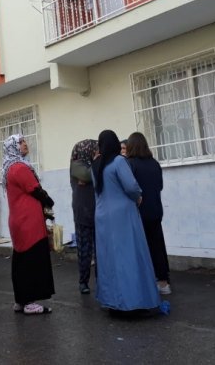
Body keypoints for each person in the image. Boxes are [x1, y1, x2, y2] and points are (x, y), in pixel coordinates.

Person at [92, 129, 160, 314]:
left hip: (102, 216)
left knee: (109, 260)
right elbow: (131, 186)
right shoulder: (119, 161)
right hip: (122, 215)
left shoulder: (96, 165)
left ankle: (112, 301)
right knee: (129, 257)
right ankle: (133, 301)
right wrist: (138, 196)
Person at [2, 134, 55, 314]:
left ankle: (21, 300)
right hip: (28, 222)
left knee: (21, 261)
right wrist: (49, 201)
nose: (25, 144)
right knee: (32, 260)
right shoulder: (19, 168)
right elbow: (35, 189)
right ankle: (29, 301)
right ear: (14, 147)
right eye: (21, 142)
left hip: (20, 221)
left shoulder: (11, 167)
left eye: (24, 141)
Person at [125, 132, 171, 295]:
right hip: (156, 210)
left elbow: (129, 189)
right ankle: (163, 282)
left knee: (140, 248)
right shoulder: (154, 163)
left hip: (139, 212)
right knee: (157, 246)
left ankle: (145, 284)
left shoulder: (130, 164)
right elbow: (160, 185)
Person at [69, 139, 98, 294]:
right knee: (85, 249)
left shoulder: (92, 164)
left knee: (99, 249)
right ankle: (83, 281)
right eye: (94, 149)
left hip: (97, 210)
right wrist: (96, 163)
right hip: (83, 211)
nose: (96, 151)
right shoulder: (77, 165)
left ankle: (101, 279)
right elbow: (87, 176)